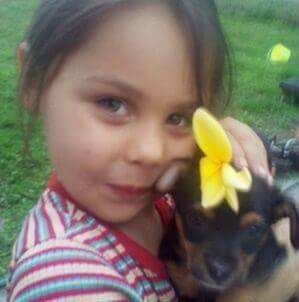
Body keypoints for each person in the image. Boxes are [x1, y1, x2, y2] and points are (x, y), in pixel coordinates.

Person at [7, 1, 272, 301]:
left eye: (179, 118)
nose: (151, 152)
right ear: (32, 82)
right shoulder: (63, 276)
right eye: (111, 103)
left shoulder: (171, 197)